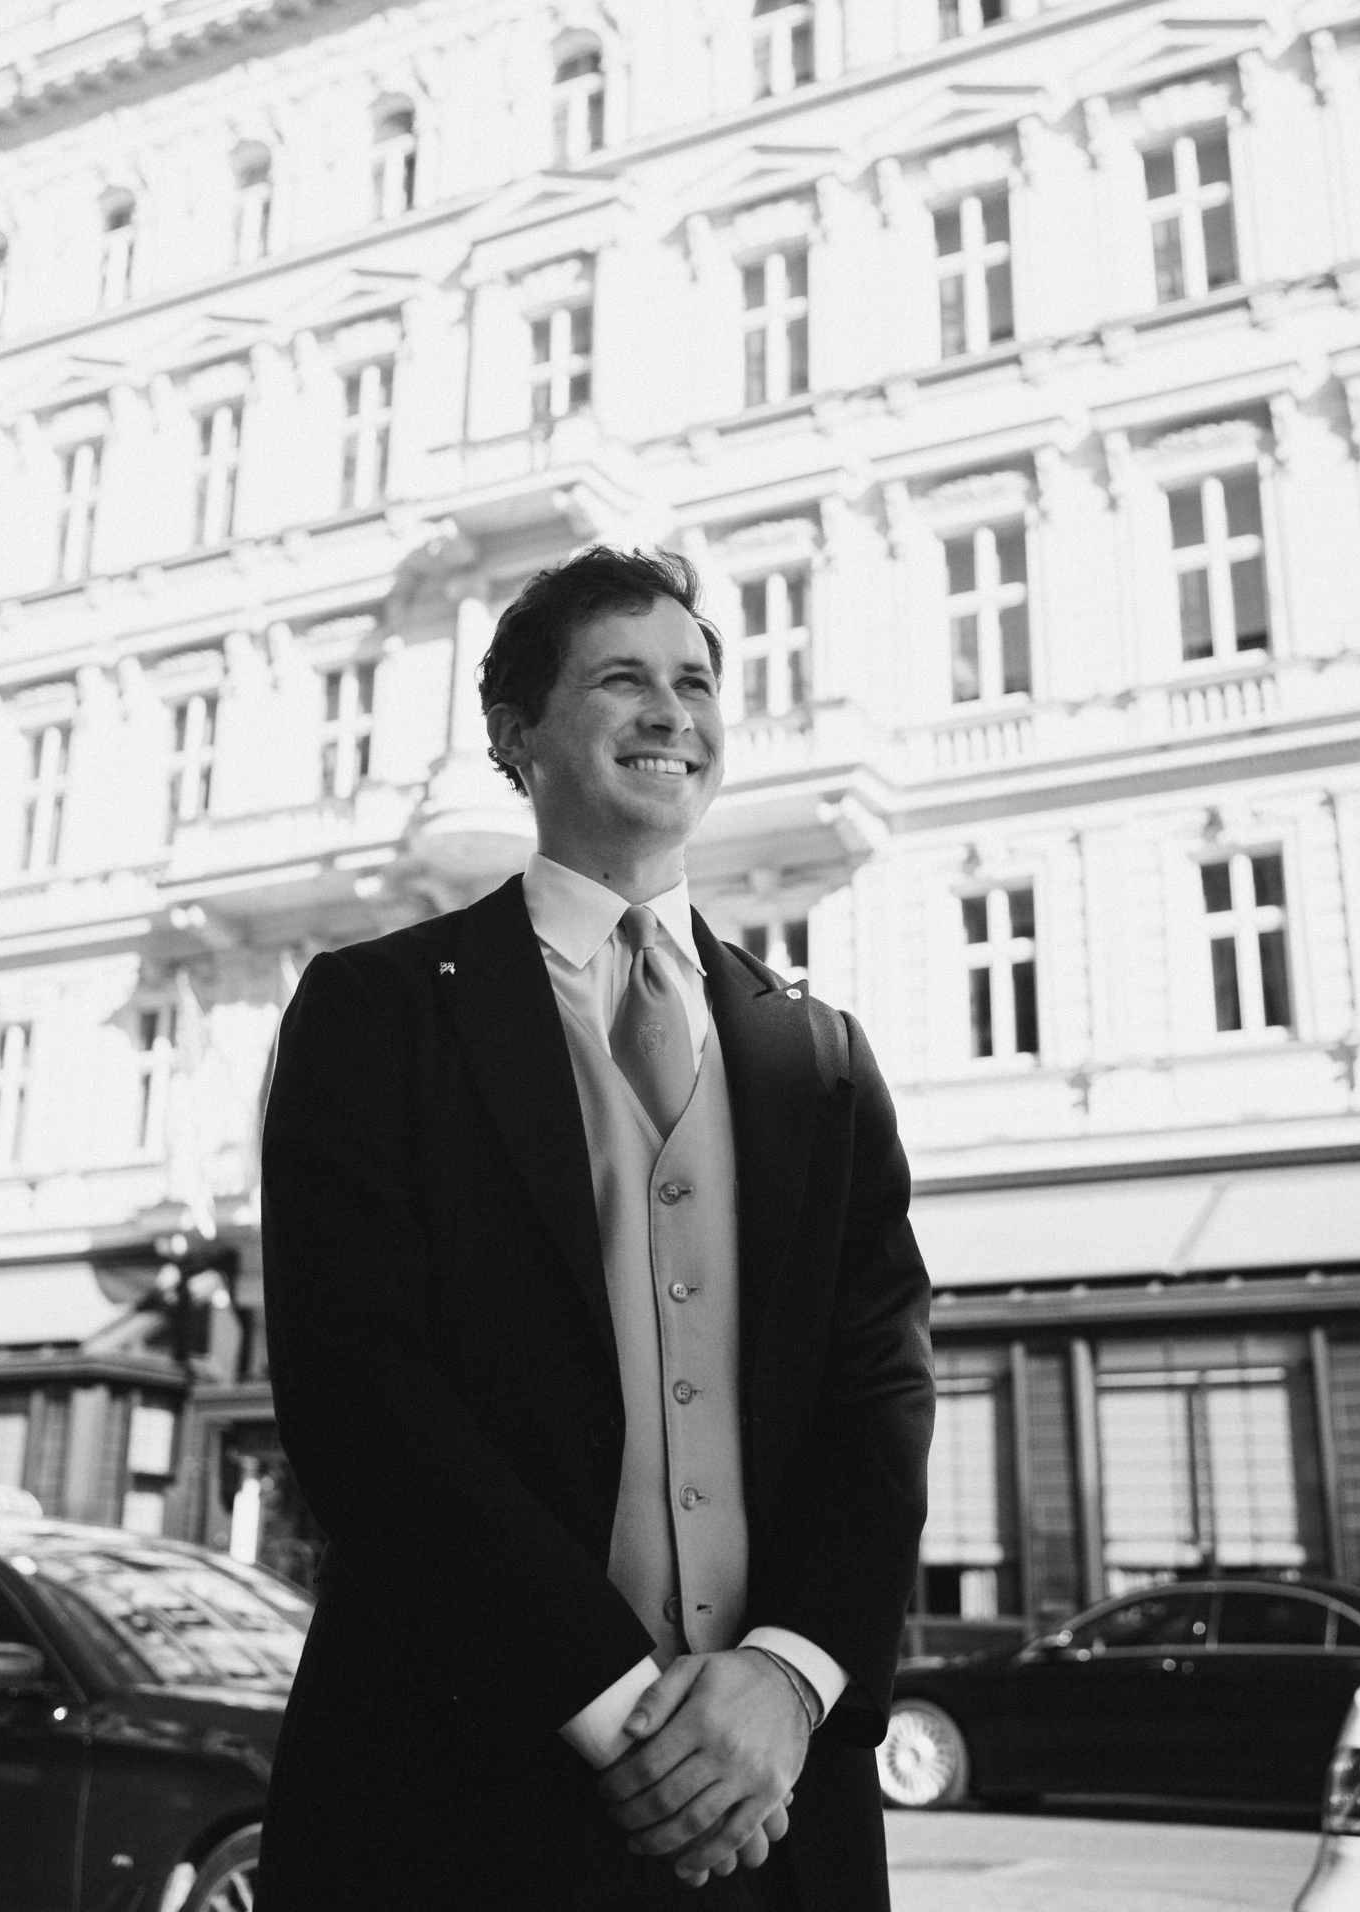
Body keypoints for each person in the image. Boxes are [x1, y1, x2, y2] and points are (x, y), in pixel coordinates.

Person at [256, 547, 934, 1912]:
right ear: (516, 733)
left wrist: (791, 1676)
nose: (671, 712)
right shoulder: (378, 1011)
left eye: (694, 683)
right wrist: (624, 1711)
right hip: (454, 1799)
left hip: (777, 1813)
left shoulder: (819, 1054)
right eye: (622, 679)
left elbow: (879, 1394)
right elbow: (359, 1392)